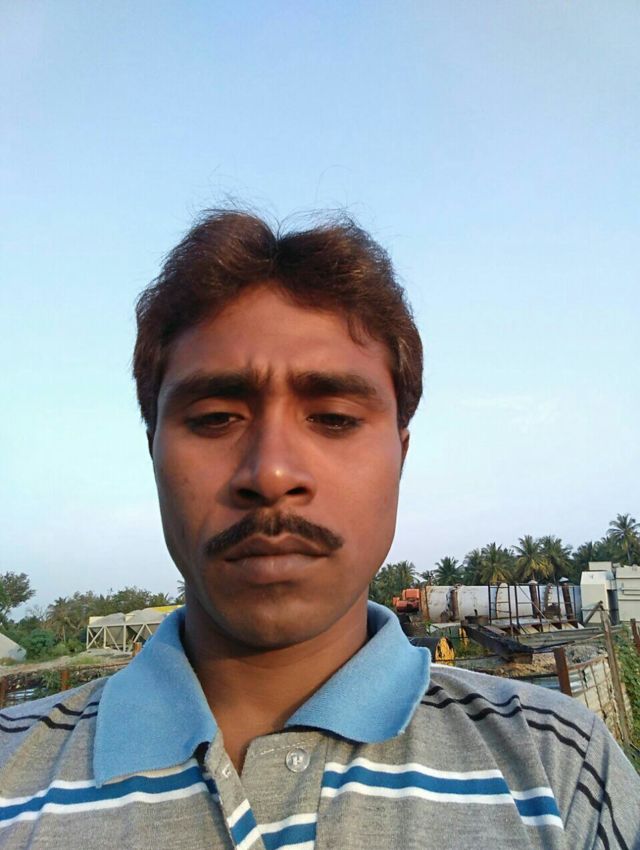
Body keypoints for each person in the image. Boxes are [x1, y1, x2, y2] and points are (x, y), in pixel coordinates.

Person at [1, 210, 638, 850]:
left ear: (400, 457)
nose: (271, 472)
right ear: (154, 451)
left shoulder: (562, 770)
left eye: (333, 417)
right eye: (216, 417)